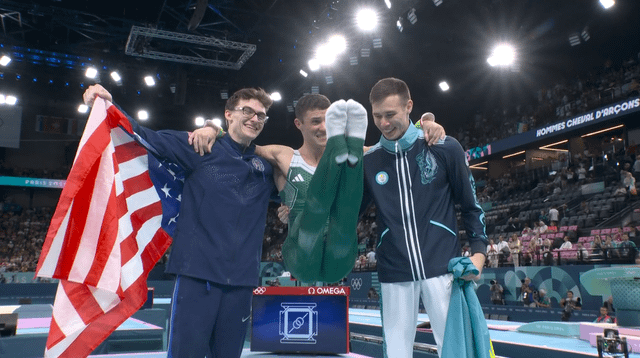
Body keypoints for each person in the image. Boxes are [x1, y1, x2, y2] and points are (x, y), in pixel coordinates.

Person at [83, 84, 275, 358]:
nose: (255, 119)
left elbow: (298, 189)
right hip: (198, 278)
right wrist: (107, 107)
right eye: (248, 111)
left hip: (242, 284)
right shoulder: (200, 147)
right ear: (228, 114)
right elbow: (145, 137)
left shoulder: (264, 166)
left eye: (261, 115)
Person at [189, 93, 445, 283]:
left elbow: (398, 142)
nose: (322, 127)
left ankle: (347, 145)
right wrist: (212, 127)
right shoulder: (282, 155)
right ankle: (340, 150)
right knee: (313, 211)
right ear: (299, 124)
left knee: (345, 214)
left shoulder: (365, 153)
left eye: (327, 122)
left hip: (339, 256)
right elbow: (239, 141)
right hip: (301, 255)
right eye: (315, 122)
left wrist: (426, 123)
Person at [361, 78, 487, 357]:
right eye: (377, 116)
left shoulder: (443, 147)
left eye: (390, 114)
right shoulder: (369, 162)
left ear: (409, 107)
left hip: (443, 267)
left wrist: (479, 254)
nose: (383, 123)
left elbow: (470, 205)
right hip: (393, 272)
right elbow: (350, 214)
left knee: (456, 350)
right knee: (396, 352)